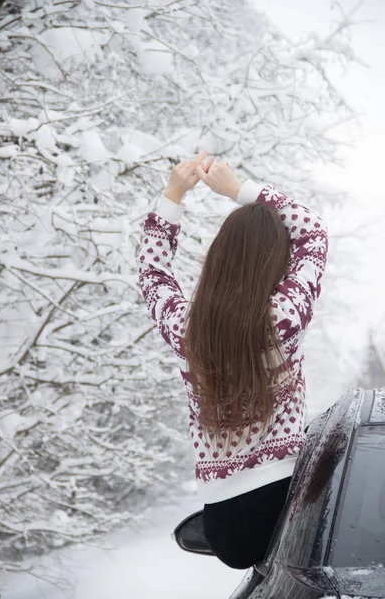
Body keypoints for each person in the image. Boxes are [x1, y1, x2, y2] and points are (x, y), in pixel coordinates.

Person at [136, 151, 328, 569]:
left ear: (218, 258)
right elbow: (313, 234)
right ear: (275, 264)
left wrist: (172, 195)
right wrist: (240, 189)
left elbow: (153, 273)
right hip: (279, 504)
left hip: (219, 523)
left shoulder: (188, 328)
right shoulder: (283, 317)